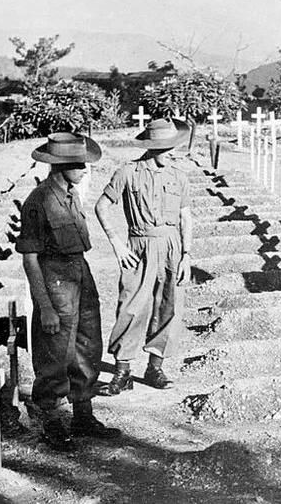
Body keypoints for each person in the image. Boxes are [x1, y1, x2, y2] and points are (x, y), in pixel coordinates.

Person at [16, 132, 120, 452]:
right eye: (78, 164)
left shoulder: (72, 195)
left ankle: (83, 416)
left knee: (88, 344)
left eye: (84, 163)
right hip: (54, 278)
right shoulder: (39, 201)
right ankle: (51, 421)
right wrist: (44, 305)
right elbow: (30, 258)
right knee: (55, 351)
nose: (85, 169)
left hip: (79, 272)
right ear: (60, 166)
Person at [95, 118, 194, 396]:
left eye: (174, 146)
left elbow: (186, 217)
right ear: (151, 148)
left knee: (169, 306)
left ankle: (155, 368)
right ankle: (122, 372)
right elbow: (101, 206)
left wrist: (186, 255)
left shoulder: (179, 176)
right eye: (166, 148)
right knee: (131, 307)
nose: (172, 152)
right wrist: (117, 245)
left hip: (172, 247)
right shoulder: (128, 172)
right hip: (138, 246)